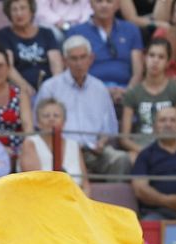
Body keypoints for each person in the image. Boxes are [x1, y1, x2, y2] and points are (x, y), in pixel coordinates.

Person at [36, 34, 128, 173]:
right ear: (65, 61)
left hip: (94, 151)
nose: (79, 63)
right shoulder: (50, 87)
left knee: (121, 160)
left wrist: (102, 142)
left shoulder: (100, 88)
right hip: (62, 151)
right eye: (74, 58)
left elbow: (110, 128)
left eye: (83, 57)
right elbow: (39, 125)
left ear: (91, 59)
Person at [120, 37, 176, 154]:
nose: (155, 61)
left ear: (168, 62)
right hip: (141, 147)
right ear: (144, 58)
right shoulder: (133, 93)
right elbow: (124, 139)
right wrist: (144, 152)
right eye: (151, 55)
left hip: (169, 147)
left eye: (161, 57)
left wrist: (166, 150)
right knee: (131, 158)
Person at [17, 95, 88, 183]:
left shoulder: (74, 145)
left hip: (76, 196)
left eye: (56, 115)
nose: (51, 119)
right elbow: (35, 182)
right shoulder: (30, 143)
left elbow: (85, 185)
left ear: (64, 122)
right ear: (38, 123)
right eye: (46, 116)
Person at [81, 0, 141, 98]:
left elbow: (138, 72)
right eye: (99, 1)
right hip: (90, 92)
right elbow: (76, 69)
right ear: (90, 4)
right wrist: (103, 91)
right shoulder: (77, 31)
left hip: (126, 92)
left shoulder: (131, 30)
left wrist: (127, 92)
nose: (104, 5)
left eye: (109, 1)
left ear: (118, 4)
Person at [0, 0, 62, 91]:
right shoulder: (4, 35)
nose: (19, 13)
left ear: (31, 11)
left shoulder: (46, 33)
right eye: (14, 10)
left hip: (49, 88)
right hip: (20, 90)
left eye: (23, 8)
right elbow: (9, 67)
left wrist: (53, 88)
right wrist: (27, 89)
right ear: (9, 13)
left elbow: (56, 65)